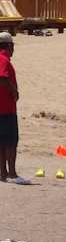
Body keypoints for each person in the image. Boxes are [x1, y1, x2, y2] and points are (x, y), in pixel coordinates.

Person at [0, 32, 19, 181]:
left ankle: (3, 173)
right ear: (8, 46)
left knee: (2, 142)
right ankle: (11, 173)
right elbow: (2, 77)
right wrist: (14, 91)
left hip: (3, 108)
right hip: (6, 108)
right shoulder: (3, 59)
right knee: (11, 142)